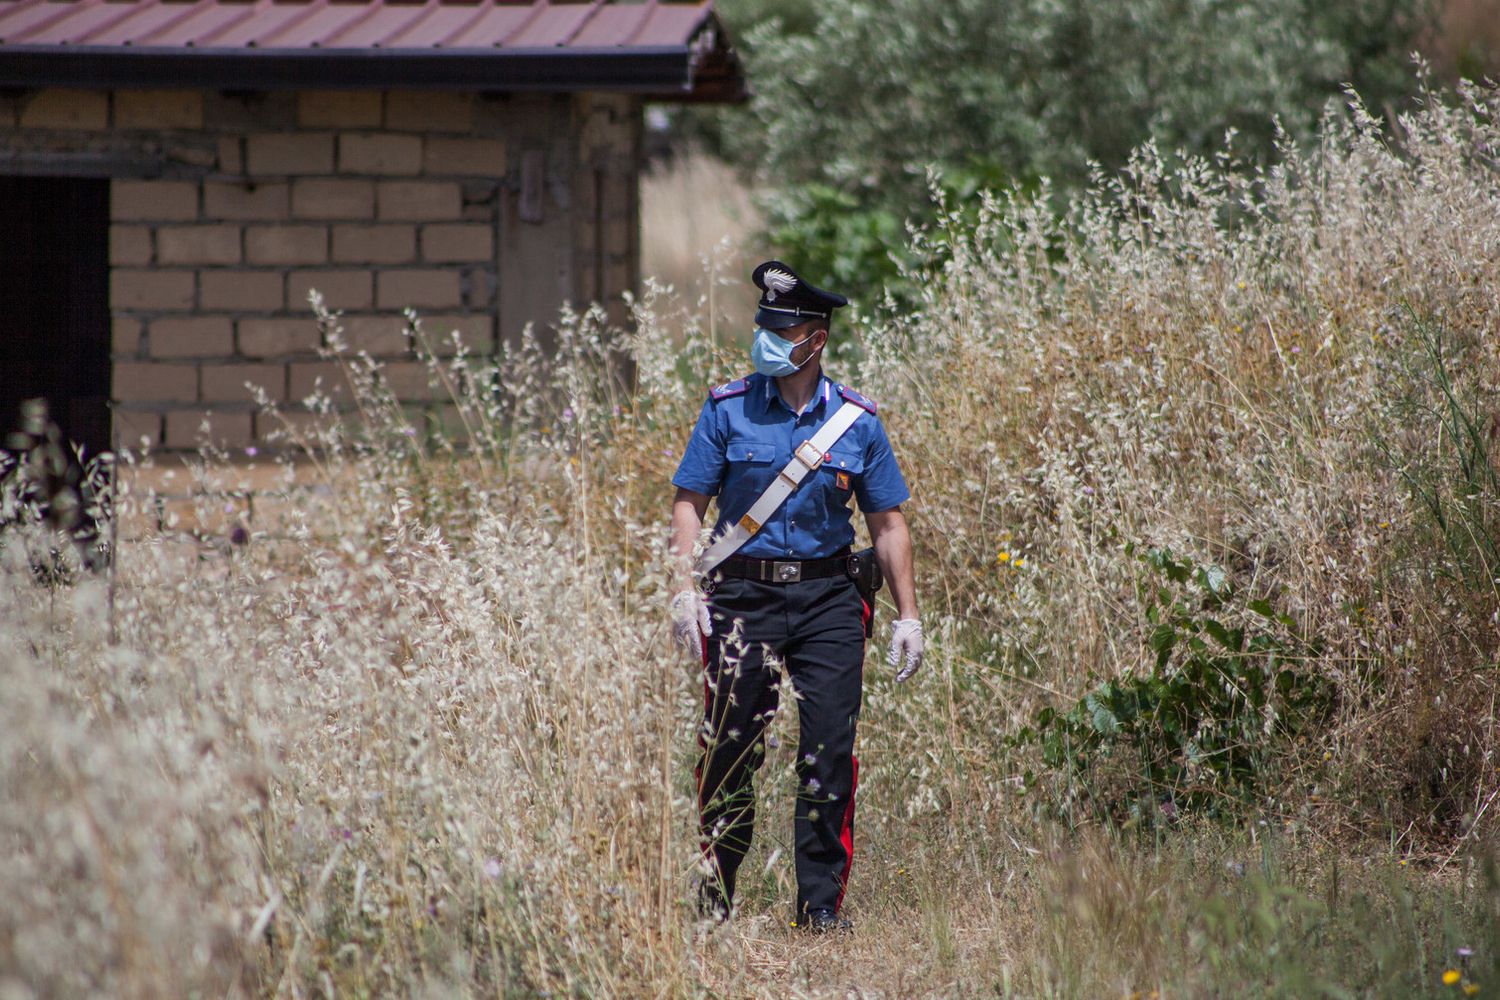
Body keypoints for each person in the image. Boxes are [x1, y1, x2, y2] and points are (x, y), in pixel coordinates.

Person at [668, 260, 924, 934]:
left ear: (816, 339)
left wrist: (910, 617)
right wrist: (682, 587)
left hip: (828, 603)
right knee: (729, 748)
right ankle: (713, 898)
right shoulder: (726, 408)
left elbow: (888, 524)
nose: (767, 340)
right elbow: (690, 502)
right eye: (764, 327)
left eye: (782, 329)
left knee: (828, 752)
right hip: (740, 600)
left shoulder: (857, 423)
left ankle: (819, 908)